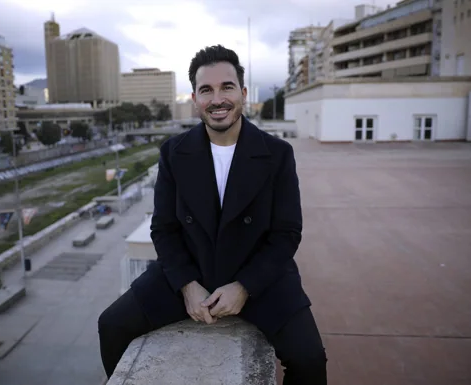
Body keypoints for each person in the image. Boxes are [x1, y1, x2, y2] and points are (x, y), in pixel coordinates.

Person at [98, 44, 327, 384]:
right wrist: (186, 285)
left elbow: (287, 233)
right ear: (195, 98)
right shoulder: (174, 153)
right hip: (191, 269)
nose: (217, 99)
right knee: (111, 325)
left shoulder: (277, 154)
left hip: (259, 275)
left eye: (227, 87)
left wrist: (245, 287)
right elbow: (163, 228)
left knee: (310, 360)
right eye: (207, 90)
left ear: (243, 94)